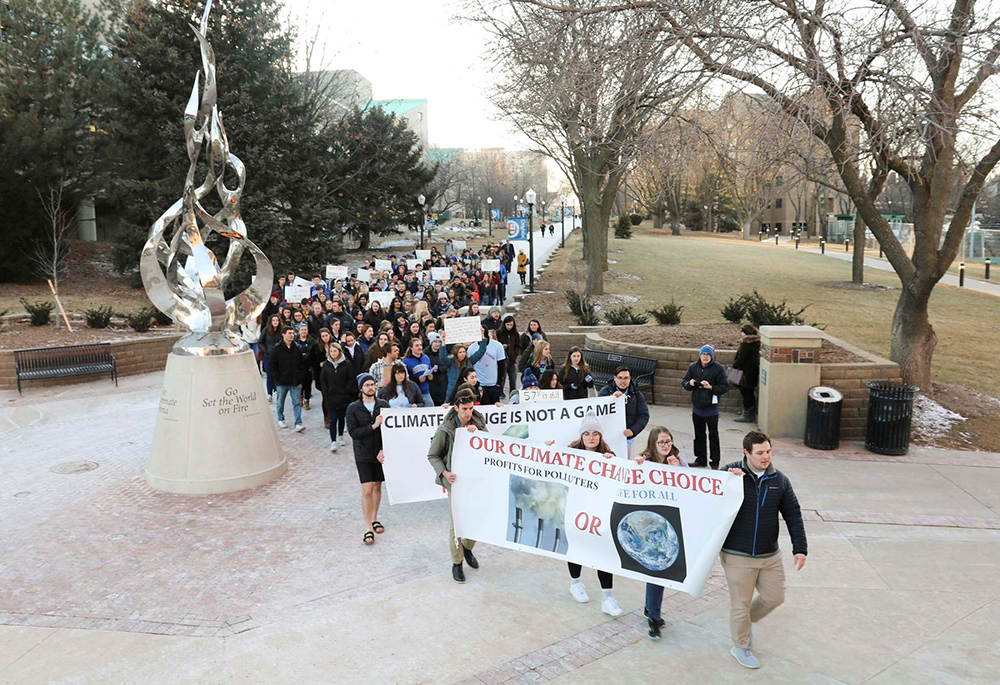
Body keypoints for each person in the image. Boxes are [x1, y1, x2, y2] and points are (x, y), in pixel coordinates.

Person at [721, 431, 808, 669]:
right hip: (737, 554)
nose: (766, 456)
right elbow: (708, 497)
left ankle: (743, 624)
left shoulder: (780, 481)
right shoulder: (730, 474)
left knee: (774, 597)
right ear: (746, 453)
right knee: (741, 604)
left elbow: (793, 514)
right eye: (760, 453)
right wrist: (728, 481)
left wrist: (800, 548)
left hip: (769, 555)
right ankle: (740, 646)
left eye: (768, 451)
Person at [564, 411, 623, 616]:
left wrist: (610, 462)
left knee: (603, 551)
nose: (591, 437)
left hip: (598, 513)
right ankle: (575, 583)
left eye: (595, 434)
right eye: (587, 433)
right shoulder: (571, 453)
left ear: (600, 437)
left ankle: (607, 597)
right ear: (581, 436)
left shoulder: (609, 456)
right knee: (576, 546)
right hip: (576, 510)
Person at [427, 389, 487, 583]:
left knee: (476, 519)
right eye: (464, 409)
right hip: (456, 483)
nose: (468, 413)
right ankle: (457, 562)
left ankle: (468, 548)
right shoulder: (445, 429)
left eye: (470, 408)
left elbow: (489, 444)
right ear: (456, 407)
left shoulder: (478, 421)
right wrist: (445, 473)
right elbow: (433, 455)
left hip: (475, 480)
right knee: (457, 523)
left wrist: (477, 435)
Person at [633, 427, 688, 640]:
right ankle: (654, 617)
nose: (666, 446)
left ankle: (650, 608)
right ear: (653, 444)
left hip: (670, 523)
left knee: (660, 569)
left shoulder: (678, 461)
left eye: (669, 441)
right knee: (657, 569)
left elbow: (691, 488)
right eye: (661, 443)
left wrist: (679, 472)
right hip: (649, 524)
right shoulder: (644, 462)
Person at [345, 372, 389, 546]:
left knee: (378, 486)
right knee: (367, 490)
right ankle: (368, 527)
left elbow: (391, 431)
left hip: (380, 453)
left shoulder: (384, 405)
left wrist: (382, 449)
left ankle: (375, 518)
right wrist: (374, 426)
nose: (371, 387)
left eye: (372, 384)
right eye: (367, 385)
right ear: (361, 388)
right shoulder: (353, 408)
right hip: (363, 453)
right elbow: (354, 432)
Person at [681, 344, 730, 469]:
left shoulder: (718, 368)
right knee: (699, 435)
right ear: (700, 355)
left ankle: (715, 462)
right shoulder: (693, 367)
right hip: (697, 408)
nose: (705, 356)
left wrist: (711, 387)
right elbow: (684, 382)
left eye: (708, 354)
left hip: (711, 409)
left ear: (712, 356)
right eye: (703, 354)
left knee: (713, 435)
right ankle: (701, 459)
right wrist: (690, 383)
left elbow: (724, 387)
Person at [597, 365, 649, 449]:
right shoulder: (605, 392)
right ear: (615, 378)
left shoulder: (636, 394)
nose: (623, 381)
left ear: (630, 379)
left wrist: (633, 431)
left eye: (626, 378)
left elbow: (644, 415)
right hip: (608, 438)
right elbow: (597, 413)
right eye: (620, 378)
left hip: (628, 439)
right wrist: (611, 399)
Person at [320, 342, 356, 451]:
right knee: (333, 419)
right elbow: (323, 379)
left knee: (341, 418)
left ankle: (340, 436)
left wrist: (346, 391)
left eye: (335, 351)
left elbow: (350, 379)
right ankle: (333, 441)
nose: (333, 353)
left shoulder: (347, 364)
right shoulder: (327, 365)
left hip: (343, 396)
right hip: (330, 396)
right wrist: (325, 392)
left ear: (339, 352)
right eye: (331, 351)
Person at [269, 327, 306, 431]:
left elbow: (301, 364)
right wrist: (278, 377)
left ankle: (298, 423)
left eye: (293, 333)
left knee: (297, 403)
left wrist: (300, 376)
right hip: (282, 382)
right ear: (283, 334)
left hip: (295, 381)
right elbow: (272, 365)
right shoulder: (277, 349)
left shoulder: (296, 348)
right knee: (280, 402)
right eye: (289, 333)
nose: (292, 335)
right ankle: (281, 419)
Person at [467, 328, 506, 404]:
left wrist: (499, 383)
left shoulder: (497, 346)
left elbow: (501, 365)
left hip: (493, 384)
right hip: (478, 384)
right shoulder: (472, 348)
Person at [732, 324, 761, 424]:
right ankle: (747, 411)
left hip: (745, 373)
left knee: (746, 392)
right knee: (749, 392)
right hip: (752, 373)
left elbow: (741, 359)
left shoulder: (746, 344)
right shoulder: (756, 343)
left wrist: (734, 365)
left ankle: (747, 414)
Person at [402, 338, 435, 407]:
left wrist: (430, 377)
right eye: (417, 345)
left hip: (425, 392)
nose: (420, 347)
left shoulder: (426, 358)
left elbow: (430, 371)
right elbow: (404, 379)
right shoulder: (406, 361)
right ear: (411, 348)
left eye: (420, 345)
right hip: (412, 393)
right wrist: (417, 380)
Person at [259, 314, 283, 402]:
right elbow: (260, 342)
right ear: (270, 322)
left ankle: (277, 391)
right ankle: (269, 394)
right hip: (268, 356)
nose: (275, 322)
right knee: (269, 375)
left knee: (277, 374)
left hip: (279, 357)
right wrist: (266, 351)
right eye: (273, 321)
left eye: (277, 320)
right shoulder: (266, 331)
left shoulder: (281, 331)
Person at [496, 315, 522, 397]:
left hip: (512, 359)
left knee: (513, 379)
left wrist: (515, 353)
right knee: (502, 377)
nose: (509, 327)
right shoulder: (499, 332)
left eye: (511, 325)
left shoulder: (515, 334)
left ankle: (513, 393)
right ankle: (500, 392)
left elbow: (518, 346)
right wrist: (501, 346)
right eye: (508, 325)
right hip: (502, 359)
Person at [294, 326, 316, 410]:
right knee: (300, 384)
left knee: (308, 384)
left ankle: (307, 400)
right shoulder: (295, 341)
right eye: (302, 330)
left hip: (308, 366)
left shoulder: (311, 341)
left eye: (305, 330)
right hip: (298, 366)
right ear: (299, 331)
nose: (304, 331)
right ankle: (300, 398)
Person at [426, 333, 449, 406]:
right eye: (435, 342)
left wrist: (439, 369)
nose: (437, 344)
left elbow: (447, 365)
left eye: (439, 342)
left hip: (443, 384)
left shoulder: (444, 353)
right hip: (432, 385)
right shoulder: (425, 355)